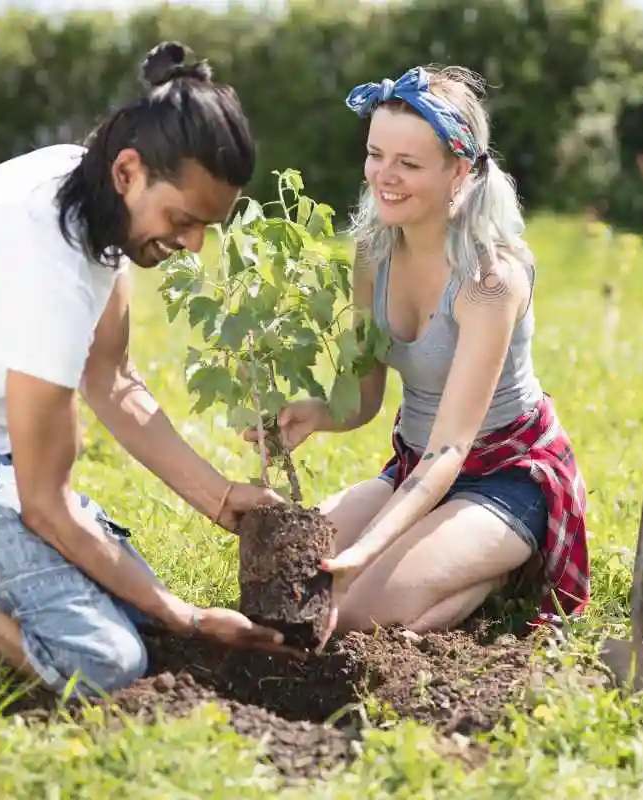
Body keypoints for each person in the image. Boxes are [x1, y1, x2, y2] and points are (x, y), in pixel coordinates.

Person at [0, 41, 303, 701]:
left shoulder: (89, 188)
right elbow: (47, 508)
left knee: (138, 615)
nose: (194, 244)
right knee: (108, 662)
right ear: (130, 172)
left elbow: (112, 379)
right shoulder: (49, 272)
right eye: (184, 219)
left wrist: (217, 496)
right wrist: (184, 612)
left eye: (210, 224)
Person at [247, 65, 591, 651]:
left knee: (358, 615)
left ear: (460, 170)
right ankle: (440, 555)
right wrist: (315, 413)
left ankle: (500, 570)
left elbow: (453, 448)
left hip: (504, 475)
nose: (384, 177)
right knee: (290, 572)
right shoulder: (371, 254)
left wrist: (364, 554)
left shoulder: (489, 282)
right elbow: (366, 398)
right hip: (414, 470)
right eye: (376, 155)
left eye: (408, 164)